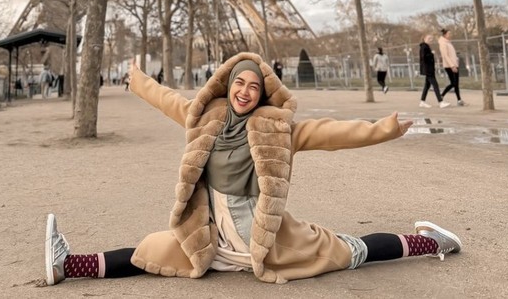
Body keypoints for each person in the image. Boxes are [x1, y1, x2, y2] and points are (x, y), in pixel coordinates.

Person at [43, 52, 461, 286]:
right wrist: (137, 80)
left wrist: (383, 129)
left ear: (263, 93)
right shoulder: (207, 117)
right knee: (150, 250)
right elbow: (169, 100)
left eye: (254, 87)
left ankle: (434, 243)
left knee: (354, 250)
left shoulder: (277, 128)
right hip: (215, 238)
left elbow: (331, 133)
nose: (244, 91)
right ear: (227, 85)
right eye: (238, 83)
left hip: (269, 240)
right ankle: (68, 264)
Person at [419, 35, 449, 109]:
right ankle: (440, 102)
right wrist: (431, 54)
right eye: (429, 38)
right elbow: (424, 57)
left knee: (427, 86)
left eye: (431, 39)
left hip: (429, 69)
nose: (431, 40)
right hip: (428, 70)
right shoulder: (424, 47)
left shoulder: (426, 47)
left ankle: (422, 101)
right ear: (424, 38)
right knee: (435, 85)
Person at [438, 30, 465, 106]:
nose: (450, 34)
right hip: (449, 66)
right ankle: (441, 95)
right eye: (449, 33)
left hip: (454, 65)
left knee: (456, 84)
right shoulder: (443, 43)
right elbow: (445, 56)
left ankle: (459, 100)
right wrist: (452, 65)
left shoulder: (448, 42)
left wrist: (456, 61)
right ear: (445, 34)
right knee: (453, 83)